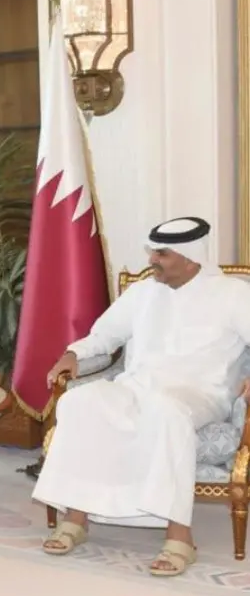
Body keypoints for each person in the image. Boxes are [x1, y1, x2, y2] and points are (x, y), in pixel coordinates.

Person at [32, 216, 250, 577]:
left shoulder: (234, 294)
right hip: (139, 385)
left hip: (201, 393)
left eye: (161, 254)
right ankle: (77, 517)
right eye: (153, 252)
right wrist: (74, 354)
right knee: (79, 402)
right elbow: (104, 336)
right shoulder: (142, 293)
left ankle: (180, 537)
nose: (153, 260)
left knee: (166, 412)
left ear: (189, 256)